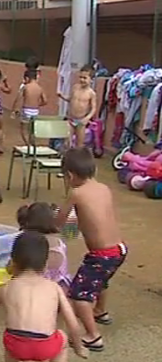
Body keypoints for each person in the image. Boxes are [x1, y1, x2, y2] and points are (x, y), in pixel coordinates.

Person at [0, 231, 87, 362]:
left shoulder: (6, 287)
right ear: (45, 265)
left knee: (10, 344)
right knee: (62, 338)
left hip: (16, 344)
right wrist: (78, 347)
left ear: (12, 263)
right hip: (45, 344)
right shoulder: (54, 288)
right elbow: (73, 324)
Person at [57, 147, 127, 352]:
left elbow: (60, 223)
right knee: (100, 280)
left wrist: (52, 216)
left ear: (70, 175)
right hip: (119, 249)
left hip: (101, 254)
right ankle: (100, 311)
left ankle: (92, 336)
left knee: (79, 295)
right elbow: (94, 217)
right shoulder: (104, 188)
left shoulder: (76, 193)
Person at [15, 203, 71, 291]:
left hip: (38, 290)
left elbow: (13, 268)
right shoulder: (59, 242)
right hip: (62, 288)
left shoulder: (29, 243)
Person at [58, 65, 97, 148]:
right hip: (71, 119)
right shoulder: (75, 87)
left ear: (91, 80)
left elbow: (93, 108)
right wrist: (62, 96)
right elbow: (70, 99)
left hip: (81, 120)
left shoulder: (91, 93)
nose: (82, 80)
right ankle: (67, 156)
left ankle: (77, 156)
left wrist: (87, 118)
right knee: (67, 142)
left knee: (79, 144)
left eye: (85, 78)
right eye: (80, 77)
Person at [12, 69, 47, 146]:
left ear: (27, 78)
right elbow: (45, 101)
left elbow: (18, 98)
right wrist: (38, 104)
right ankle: (32, 144)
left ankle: (28, 144)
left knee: (23, 129)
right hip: (35, 111)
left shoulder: (25, 87)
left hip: (26, 110)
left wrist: (14, 110)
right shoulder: (40, 88)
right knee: (32, 130)